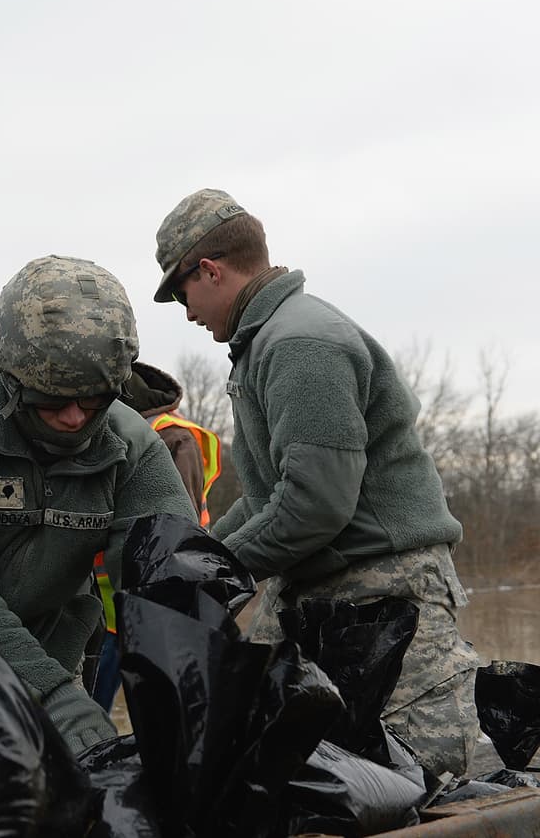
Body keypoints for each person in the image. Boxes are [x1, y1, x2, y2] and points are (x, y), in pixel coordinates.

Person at [151, 188, 480, 776]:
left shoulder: (301, 342)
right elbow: (265, 495)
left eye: (182, 294)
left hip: (385, 594)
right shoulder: (262, 346)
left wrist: (218, 574)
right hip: (318, 586)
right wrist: (192, 557)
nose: (188, 312)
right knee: (299, 769)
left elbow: (314, 505)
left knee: (430, 780)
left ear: (211, 270)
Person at [0, 255, 198, 755]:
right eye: (52, 401)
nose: (76, 417)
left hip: (57, 655)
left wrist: (195, 690)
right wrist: (51, 697)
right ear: (9, 379)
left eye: (96, 399)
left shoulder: (133, 446)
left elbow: (167, 577)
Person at [91, 361, 221, 710]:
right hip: (105, 604)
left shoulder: (172, 437)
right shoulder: (117, 429)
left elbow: (174, 529)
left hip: (146, 601)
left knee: (161, 711)